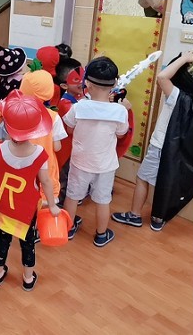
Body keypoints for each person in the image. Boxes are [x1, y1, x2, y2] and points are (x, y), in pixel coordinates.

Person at [0, 91, 60, 291]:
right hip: (26, 209)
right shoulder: (39, 154)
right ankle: (28, 278)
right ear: (35, 129)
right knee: (28, 242)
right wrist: (53, 205)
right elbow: (46, 182)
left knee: (2, 239)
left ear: (6, 125)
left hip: (4, 206)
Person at [111, 50, 193, 231]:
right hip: (181, 152)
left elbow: (161, 77)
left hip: (161, 146)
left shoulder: (178, 96)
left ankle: (135, 215)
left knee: (142, 178)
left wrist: (184, 58)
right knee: (168, 182)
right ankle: (158, 219)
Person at [62, 56, 132, 247]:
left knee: (72, 196)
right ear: (115, 85)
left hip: (80, 161)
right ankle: (101, 234)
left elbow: (69, 128)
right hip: (105, 165)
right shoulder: (120, 111)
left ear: (87, 84)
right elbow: (121, 134)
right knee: (103, 200)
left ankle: (67, 229)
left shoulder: (79, 107)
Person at [19, 70, 68, 206]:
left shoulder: (18, 112)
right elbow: (57, 147)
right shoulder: (54, 117)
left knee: (22, 196)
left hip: (22, 161)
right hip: (45, 163)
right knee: (44, 196)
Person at [54, 58, 85, 205]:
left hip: (74, 146)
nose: (81, 83)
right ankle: (61, 203)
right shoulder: (66, 103)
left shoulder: (78, 97)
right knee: (64, 174)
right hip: (66, 148)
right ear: (64, 85)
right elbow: (73, 127)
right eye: (76, 80)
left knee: (72, 173)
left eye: (82, 78)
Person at [0, 41, 29, 141]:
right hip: (14, 113)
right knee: (11, 135)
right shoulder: (21, 80)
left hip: (1, 110)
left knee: (5, 136)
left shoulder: (0, 78)